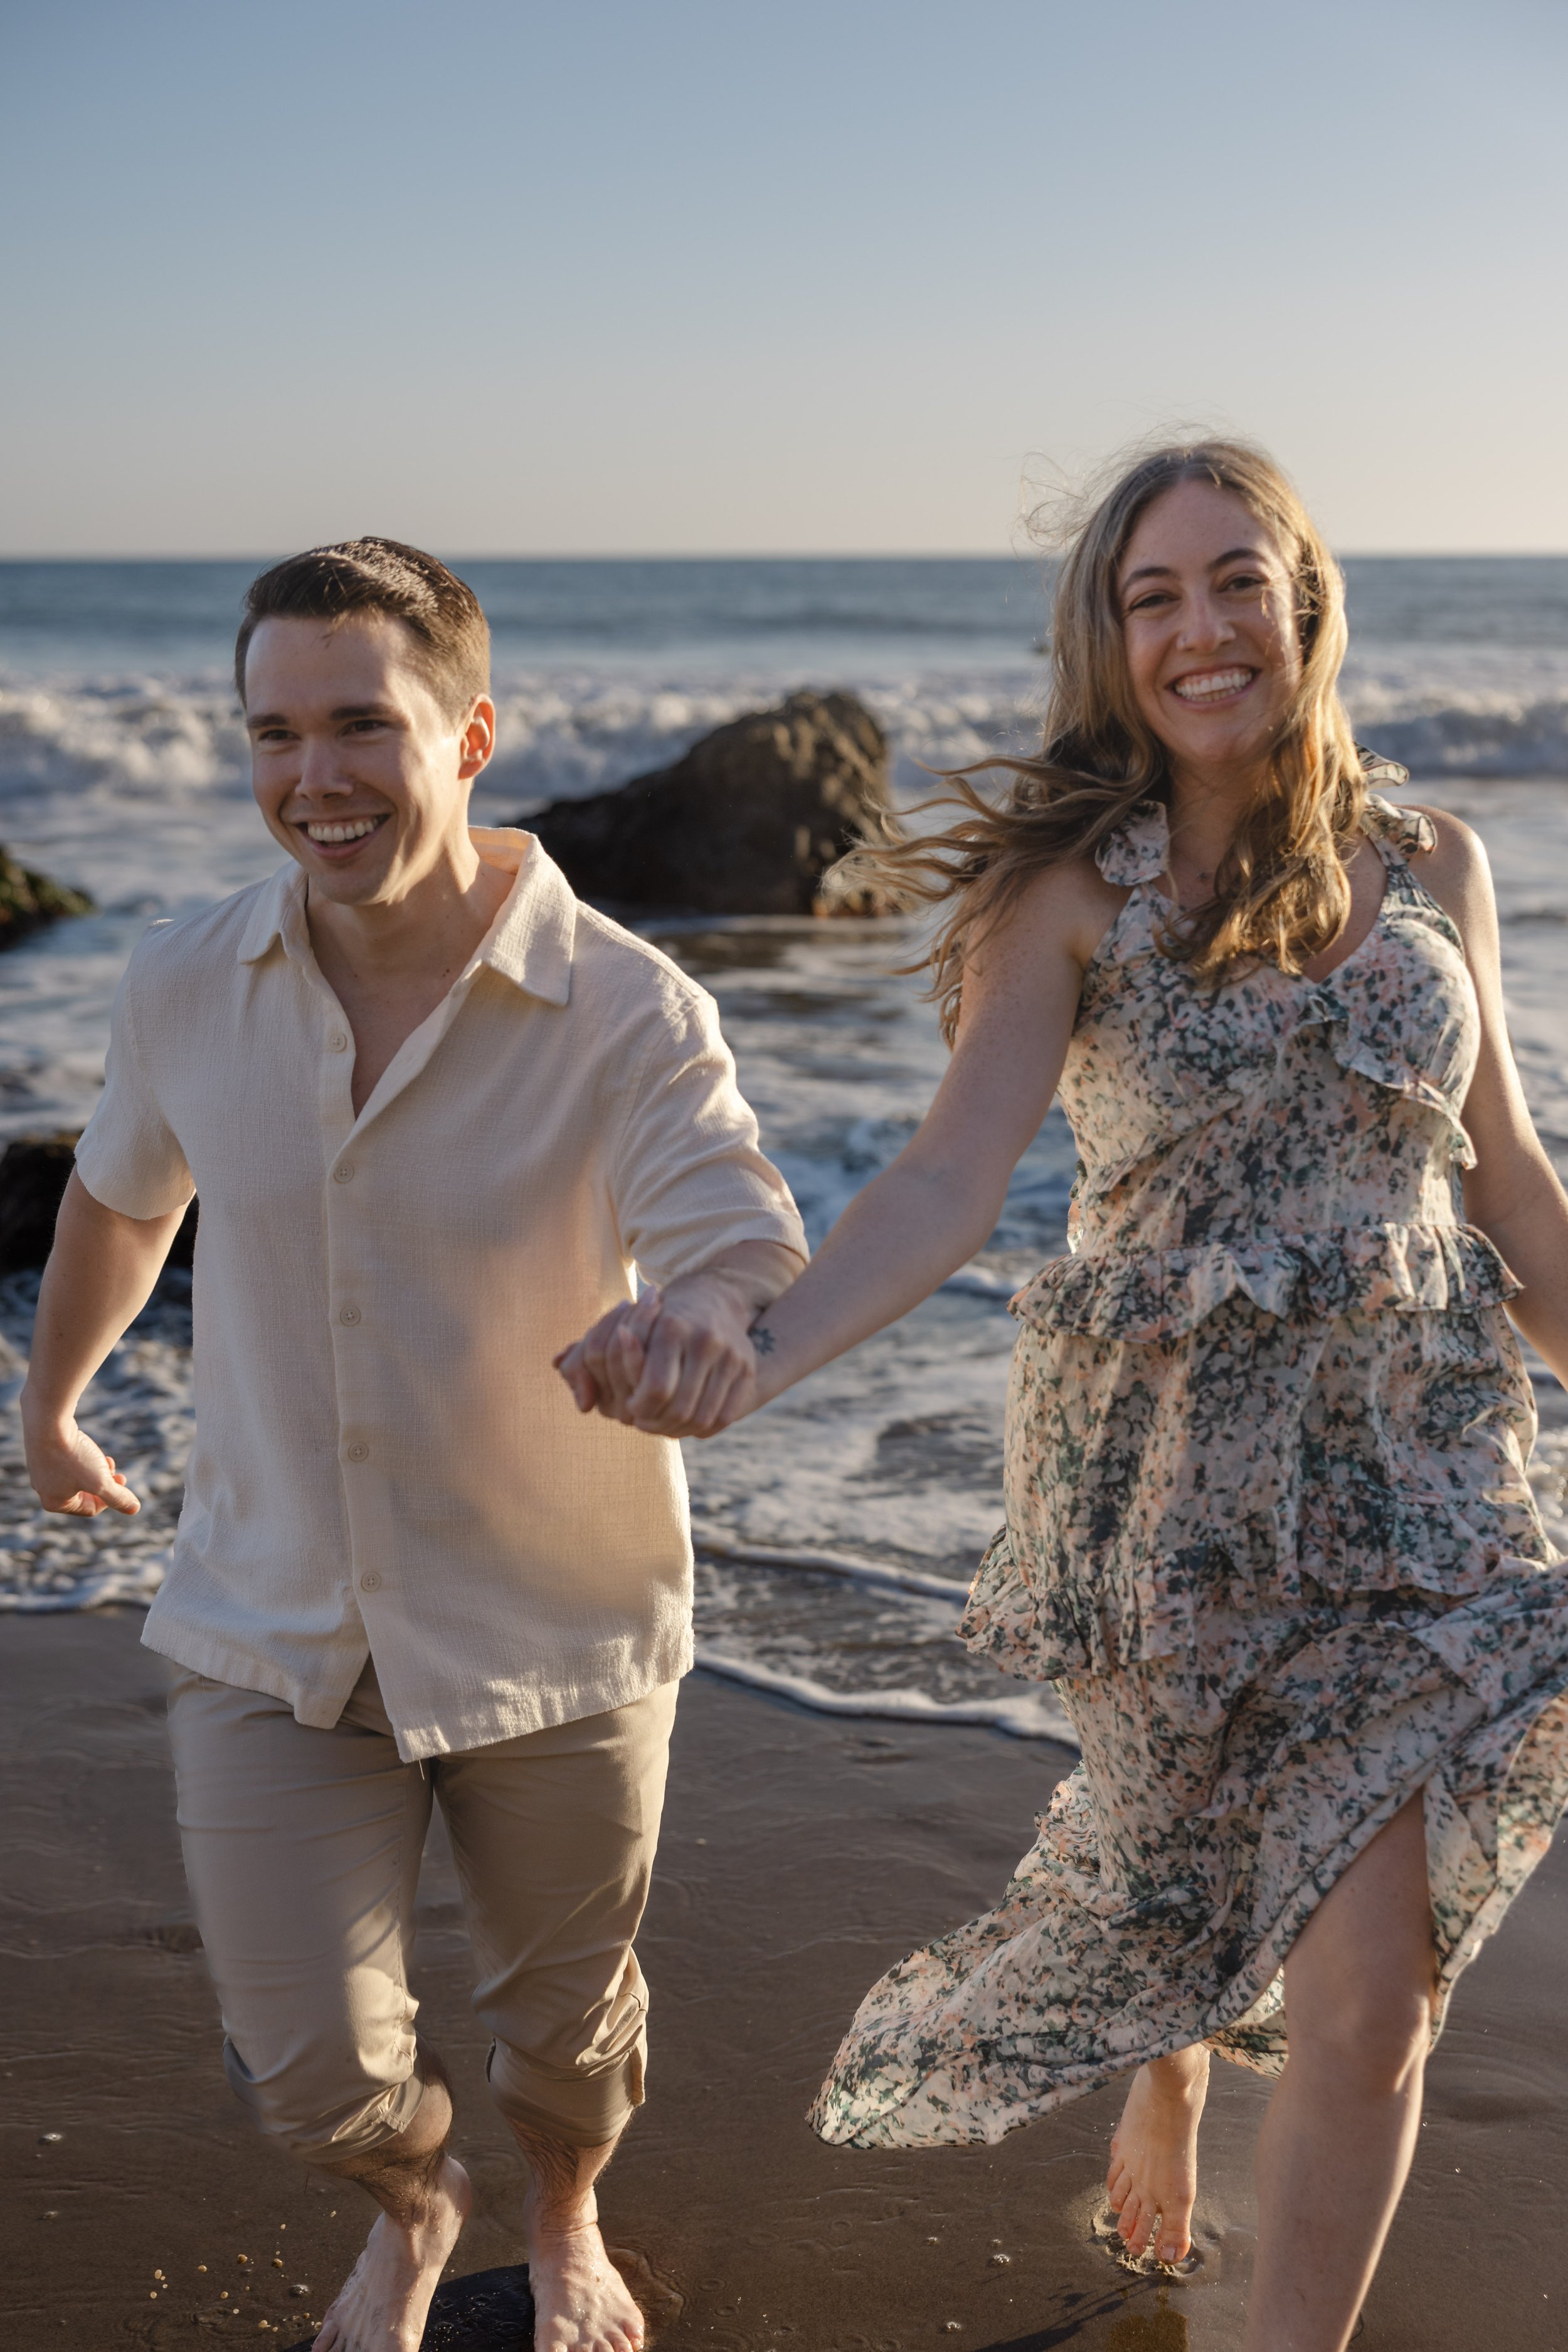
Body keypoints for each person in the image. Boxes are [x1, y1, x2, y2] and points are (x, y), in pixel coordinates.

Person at [557, 442, 1568, 2352]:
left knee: (1374, 1995)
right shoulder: (1067, 893)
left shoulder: (1435, 863)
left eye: (1236, 578)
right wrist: (755, 1356)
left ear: (1305, 597)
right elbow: (947, 1183)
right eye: (1150, 595)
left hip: (1427, 1475)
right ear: (1111, 642)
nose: (1201, 628)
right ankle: (1170, 2056)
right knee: (1193, 1866)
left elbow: (1506, 1183)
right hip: (1173, 1482)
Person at [21, 538, 805, 2352]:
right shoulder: (182, 978)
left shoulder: (623, 1004)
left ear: (468, 736)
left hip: (555, 1621)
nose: (316, 777)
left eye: (361, 724)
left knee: (567, 2035)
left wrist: (701, 1315)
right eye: (274, 733)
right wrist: (52, 1401)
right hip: (271, 1611)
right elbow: (123, 1199)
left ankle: (563, 2212)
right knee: (305, 2068)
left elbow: (732, 1219)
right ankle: (416, 2201)